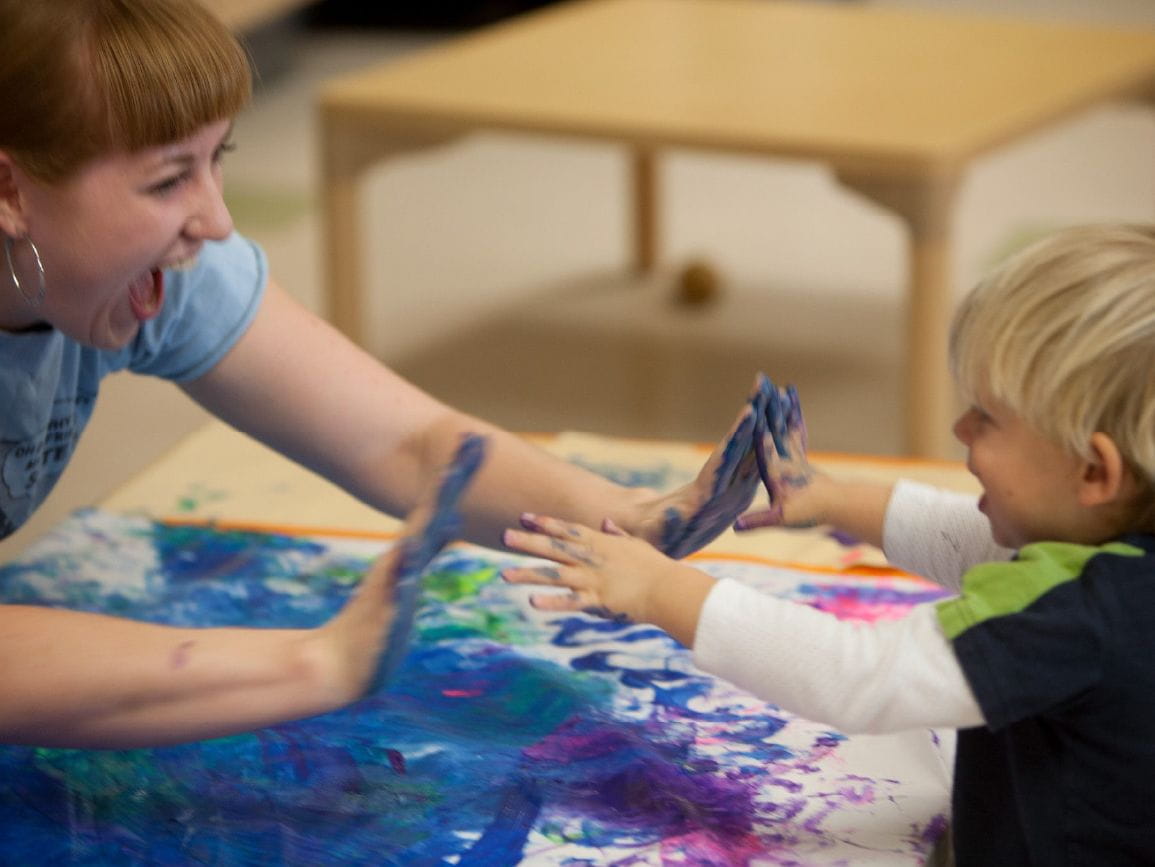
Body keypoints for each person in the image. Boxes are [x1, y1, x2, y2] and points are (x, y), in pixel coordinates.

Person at [0, 0, 765, 749]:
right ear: (11, 191)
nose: (217, 221)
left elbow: (407, 442)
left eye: (217, 160)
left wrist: (622, 517)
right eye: (167, 181)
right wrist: (313, 661)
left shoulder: (161, 272)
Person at [503, 223, 1155, 865]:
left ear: (1093, 472)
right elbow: (974, 541)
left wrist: (656, 588)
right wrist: (832, 497)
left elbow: (863, 676)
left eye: (986, 417)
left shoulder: (1078, 617)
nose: (957, 428)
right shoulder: (1119, 563)